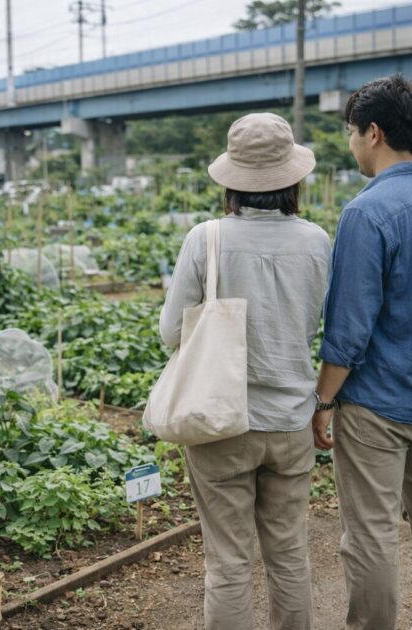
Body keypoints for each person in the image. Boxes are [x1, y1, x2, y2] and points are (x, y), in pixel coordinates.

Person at [310, 75, 412, 629]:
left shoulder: (368, 212)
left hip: (379, 407)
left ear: (374, 132)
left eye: (353, 133)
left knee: (371, 534)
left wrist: (324, 398)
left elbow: (349, 328)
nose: (351, 144)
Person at [159, 112, 331, 630]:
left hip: (220, 422)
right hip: (291, 421)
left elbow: (171, 333)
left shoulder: (205, 238)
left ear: (232, 182)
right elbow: (328, 326)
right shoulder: (318, 241)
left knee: (229, 562)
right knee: (289, 554)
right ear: (293, 180)